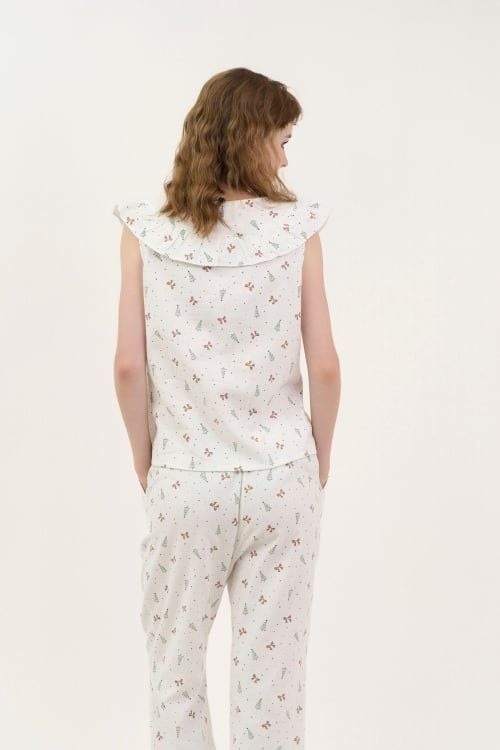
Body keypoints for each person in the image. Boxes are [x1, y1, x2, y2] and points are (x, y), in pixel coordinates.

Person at [112, 66, 341, 749]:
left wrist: (146, 458)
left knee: (174, 669)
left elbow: (127, 367)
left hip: (185, 480)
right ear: (250, 138)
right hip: (281, 479)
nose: (286, 159)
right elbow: (325, 367)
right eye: (282, 140)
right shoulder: (296, 230)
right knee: (272, 683)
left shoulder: (146, 233)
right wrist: (319, 457)